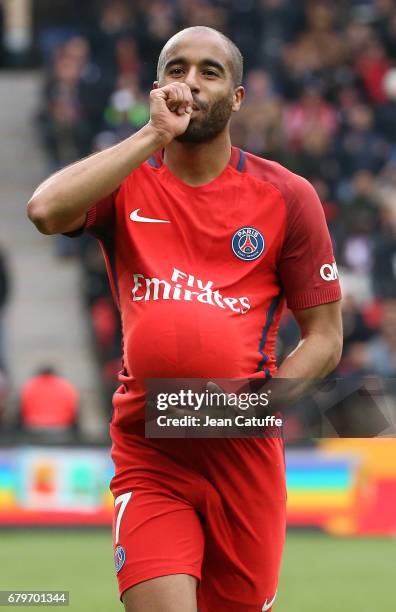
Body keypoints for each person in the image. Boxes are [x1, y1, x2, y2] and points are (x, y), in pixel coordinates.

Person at [27, 26, 342, 612]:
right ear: (157, 86)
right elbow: (45, 211)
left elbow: (325, 338)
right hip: (152, 447)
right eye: (176, 69)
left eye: (208, 71)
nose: (189, 82)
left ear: (238, 97)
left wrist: (254, 407)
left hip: (242, 450)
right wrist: (151, 136)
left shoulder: (287, 196)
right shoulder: (124, 180)